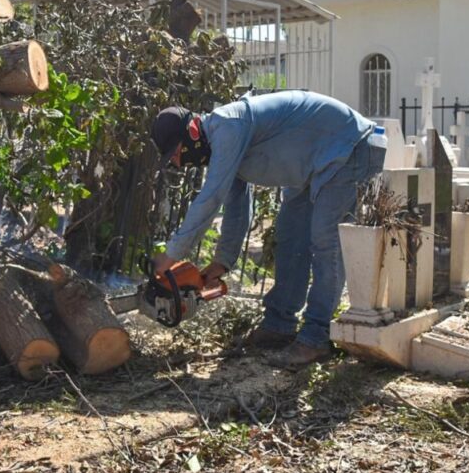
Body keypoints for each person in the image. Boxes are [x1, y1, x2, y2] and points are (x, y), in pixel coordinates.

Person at [150, 90, 386, 370]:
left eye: (176, 153)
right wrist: (222, 262)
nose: (178, 163)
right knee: (289, 238)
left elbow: (210, 199)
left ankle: (315, 338)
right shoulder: (222, 146)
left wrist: (171, 256)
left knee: (326, 242)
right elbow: (236, 205)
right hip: (313, 165)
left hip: (349, 148)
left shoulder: (228, 126)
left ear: (191, 131)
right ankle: (280, 324)